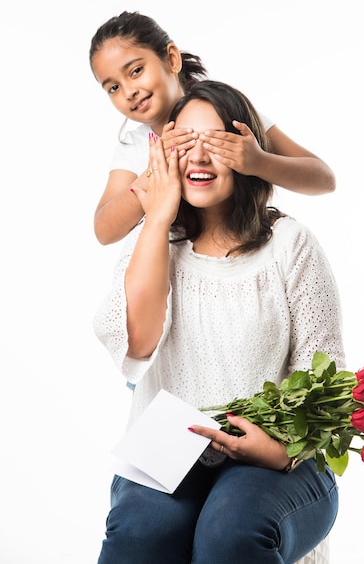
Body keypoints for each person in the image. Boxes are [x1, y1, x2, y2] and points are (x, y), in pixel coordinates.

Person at [93, 80, 345, 563]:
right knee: (138, 537)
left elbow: (326, 380)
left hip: (280, 451)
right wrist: (158, 215)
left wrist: (279, 451)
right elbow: (139, 344)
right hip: (167, 452)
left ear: (245, 150)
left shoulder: (290, 245)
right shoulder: (153, 240)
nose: (199, 157)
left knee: (231, 531)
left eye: (215, 142)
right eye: (185, 144)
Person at [90, 11, 336, 246]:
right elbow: (104, 231)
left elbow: (324, 180)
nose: (128, 91)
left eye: (136, 71)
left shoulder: (230, 113)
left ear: (172, 59)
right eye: (113, 88)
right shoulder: (135, 147)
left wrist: (259, 162)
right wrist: (155, 170)